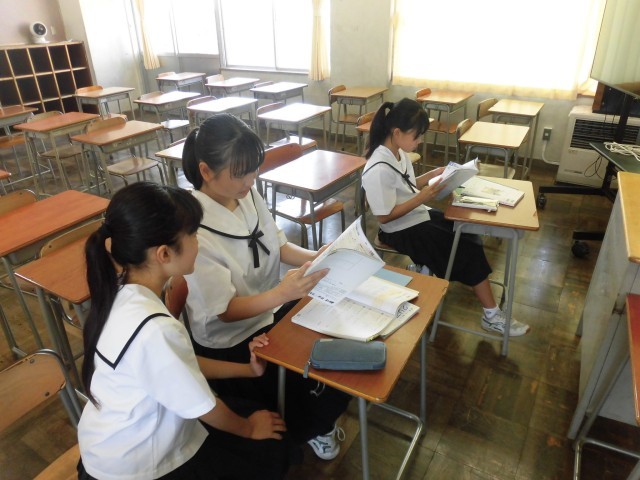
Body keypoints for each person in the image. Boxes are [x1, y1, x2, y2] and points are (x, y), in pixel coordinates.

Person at [78, 182, 289, 480]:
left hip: (111, 446)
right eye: (193, 234)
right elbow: (204, 407)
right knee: (271, 448)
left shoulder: (120, 292)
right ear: (164, 254)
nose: (198, 242)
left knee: (253, 416)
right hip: (136, 466)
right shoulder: (155, 328)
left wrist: (248, 370)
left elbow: (179, 365)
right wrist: (250, 428)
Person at [182, 114, 351, 461]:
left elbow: (278, 245)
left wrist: (318, 257)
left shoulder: (247, 194)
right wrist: (282, 294)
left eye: (253, 170)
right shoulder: (193, 231)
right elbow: (224, 312)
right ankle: (313, 430)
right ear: (206, 171)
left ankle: (317, 420)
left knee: (335, 350)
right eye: (240, 173)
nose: (250, 181)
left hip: (268, 313)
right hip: (232, 340)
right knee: (305, 383)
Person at [361, 98, 530, 336]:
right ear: (397, 132)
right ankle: (491, 316)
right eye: (417, 136)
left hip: (415, 215)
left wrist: (437, 174)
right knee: (466, 249)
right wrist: (423, 196)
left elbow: (407, 185)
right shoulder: (378, 168)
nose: (420, 141)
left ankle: (428, 267)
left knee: (467, 232)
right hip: (399, 230)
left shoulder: (397, 152)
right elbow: (384, 217)